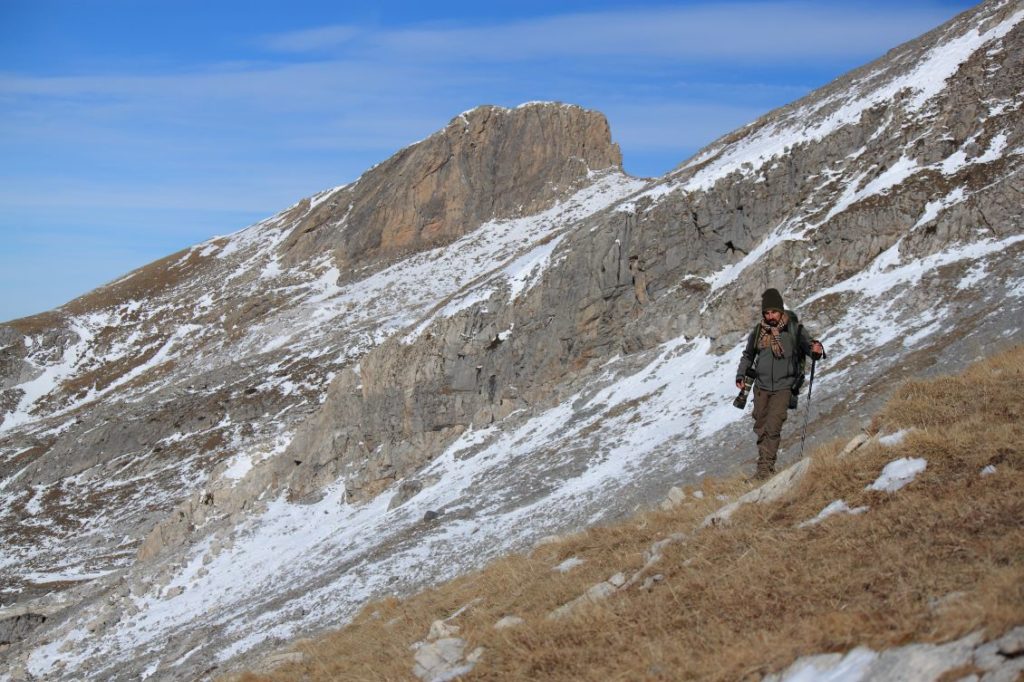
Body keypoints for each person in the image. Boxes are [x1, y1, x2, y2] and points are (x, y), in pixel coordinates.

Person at [735, 288, 824, 480]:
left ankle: (764, 471)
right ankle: (765, 468)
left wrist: (816, 349)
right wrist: (741, 375)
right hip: (761, 387)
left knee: (773, 427)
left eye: (773, 312)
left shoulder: (795, 329)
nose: (770, 316)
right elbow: (748, 355)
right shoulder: (759, 331)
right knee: (761, 427)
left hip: (784, 387)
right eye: (766, 313)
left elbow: (810, 348)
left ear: (781, 311)